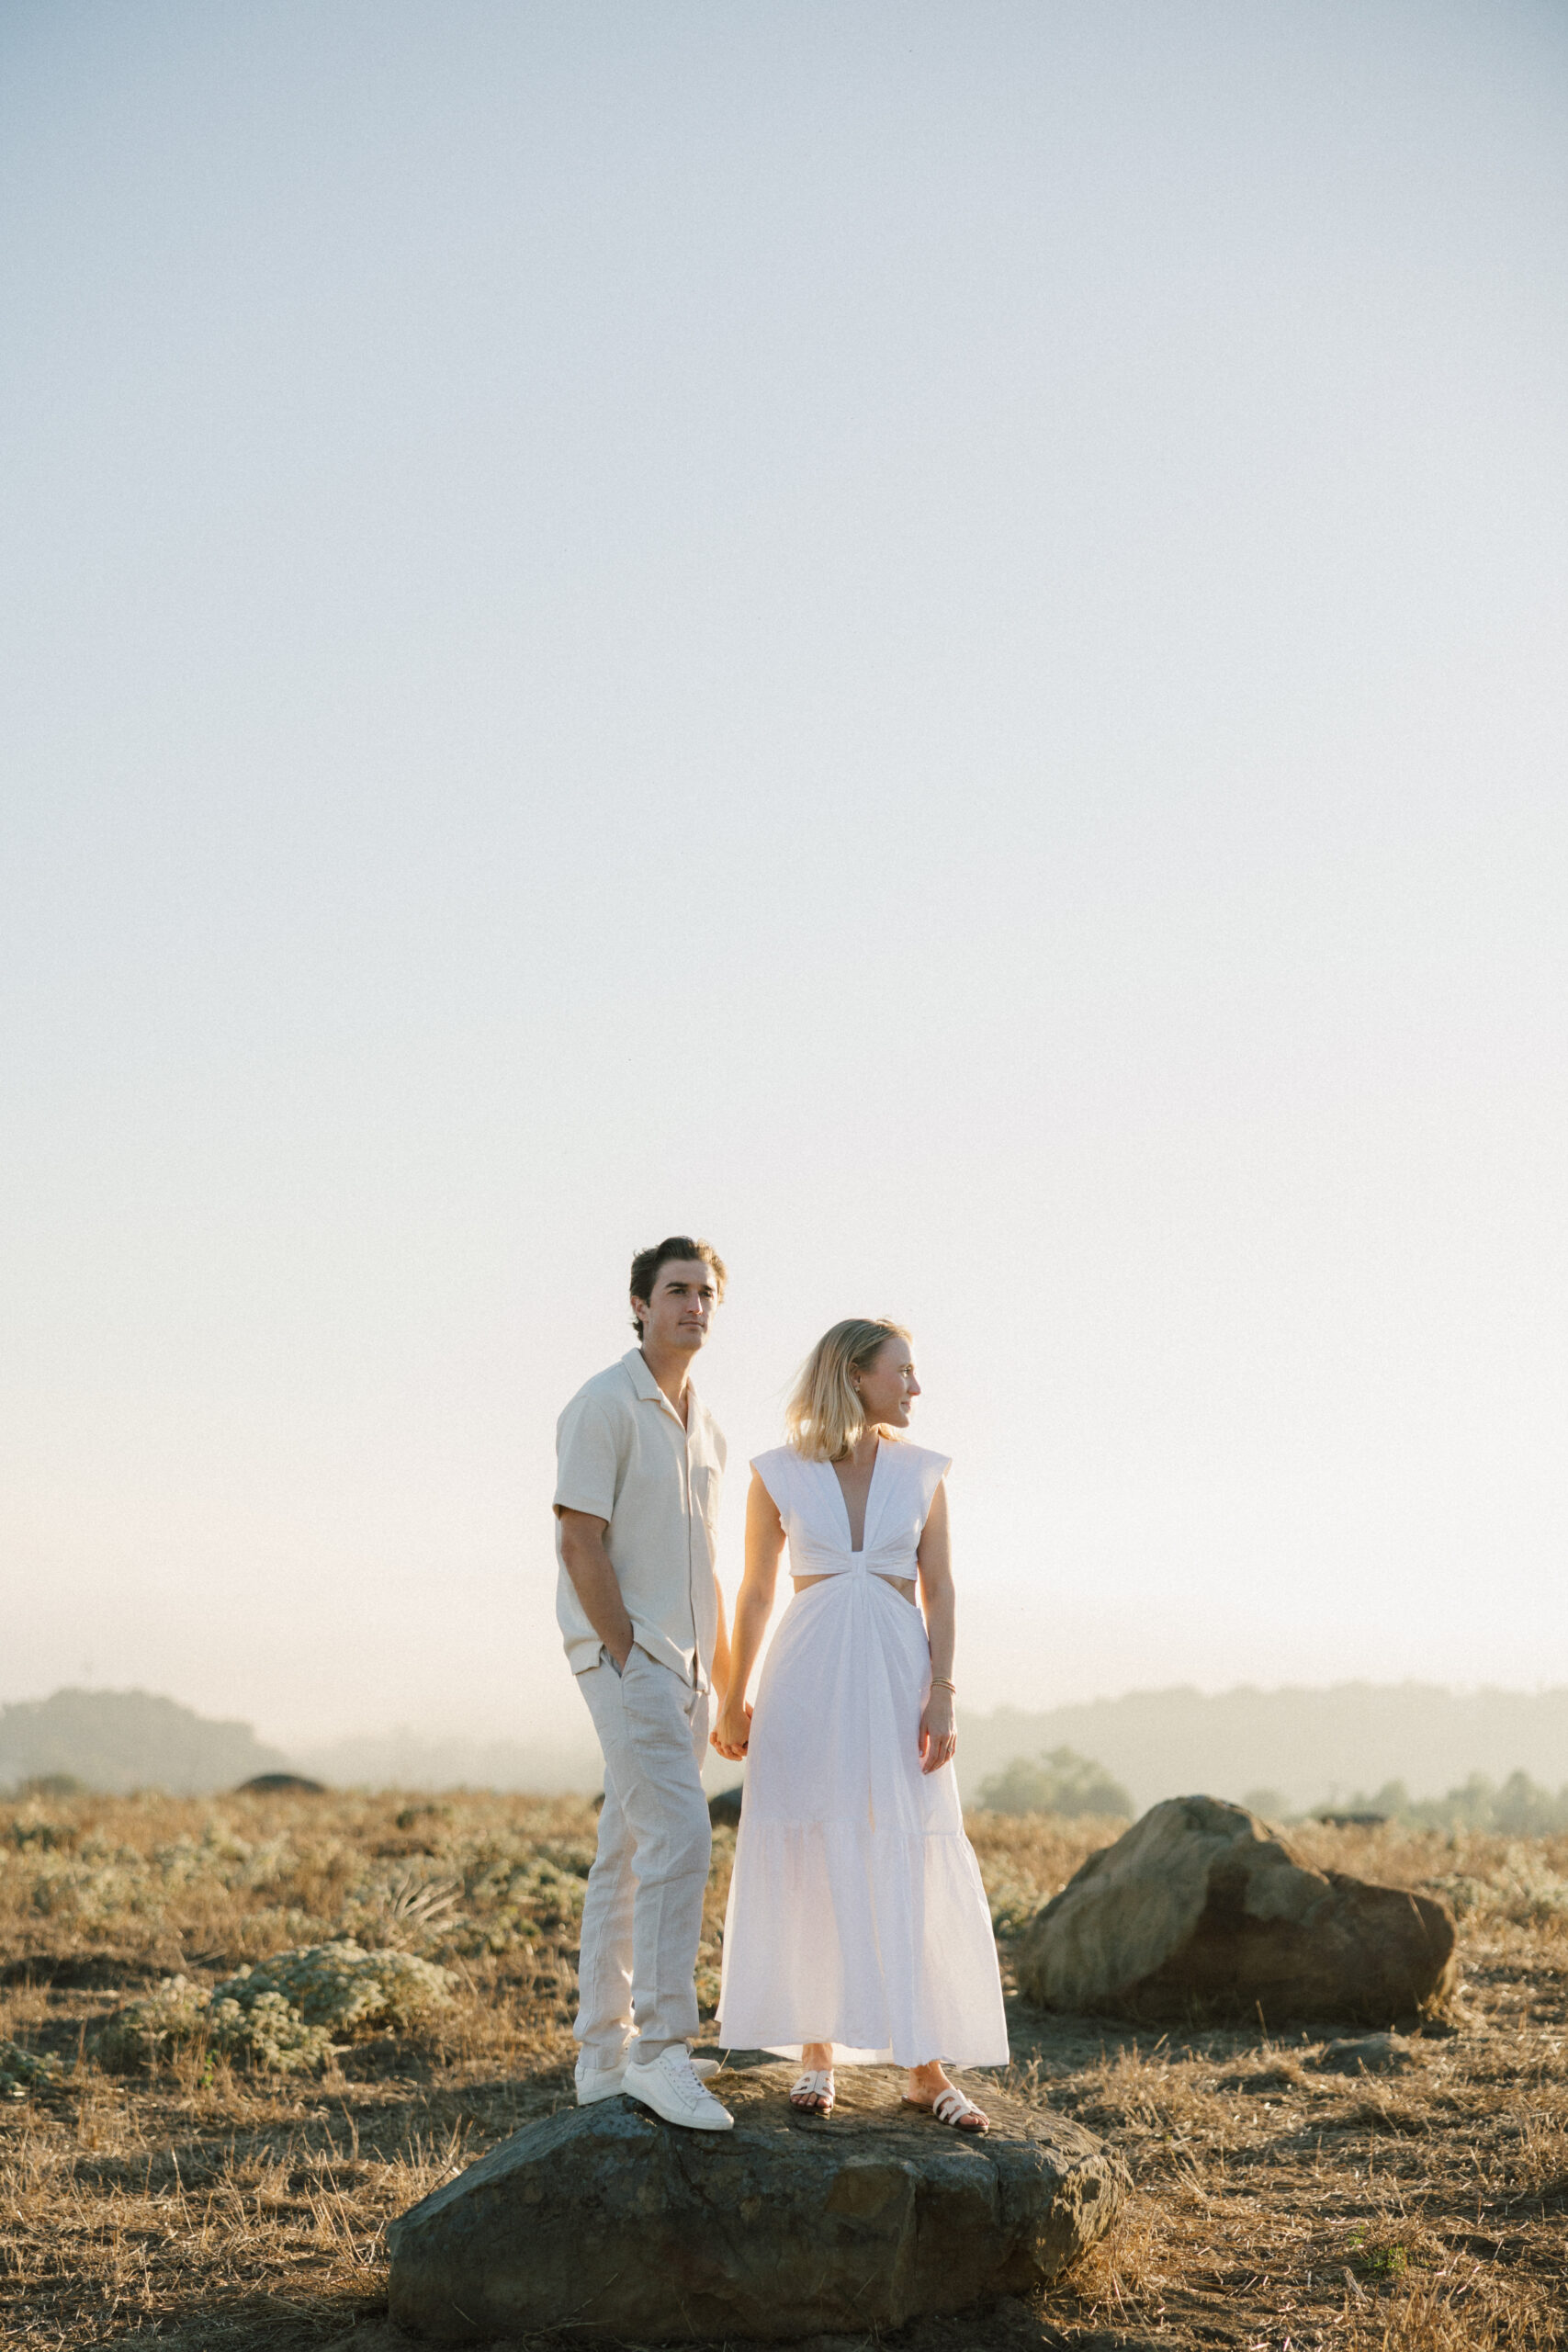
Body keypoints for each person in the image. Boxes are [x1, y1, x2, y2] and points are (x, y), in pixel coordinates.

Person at [713, 1318, 1008, 2130]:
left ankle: (924, 2067)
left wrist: (942, 1690)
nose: (915, 1388)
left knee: (905, 1846)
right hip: (803, 1679)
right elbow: (753, 1594)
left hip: (895, 1676)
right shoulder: (775, 1473)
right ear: (854, 1375)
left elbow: (940, 1590)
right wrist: (734, 1696)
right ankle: (816, 2055)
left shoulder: (923, 1472)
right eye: (902, 1372)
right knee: (810, 1850)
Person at [553, 1235, 735, 2132]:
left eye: (706, 1293)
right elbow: (577, 1539)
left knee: (628, 1853)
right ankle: (661, 2050)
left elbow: (708, 1562)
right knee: (681, 1839)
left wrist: (725, 1681)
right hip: (633, 1661)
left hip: (691, 1674)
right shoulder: (602, 1405)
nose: (693, 1306)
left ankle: (601, 2056)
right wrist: (625, 1653)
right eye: (676, 1290)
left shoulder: (708, 1425)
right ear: (639, 1304)